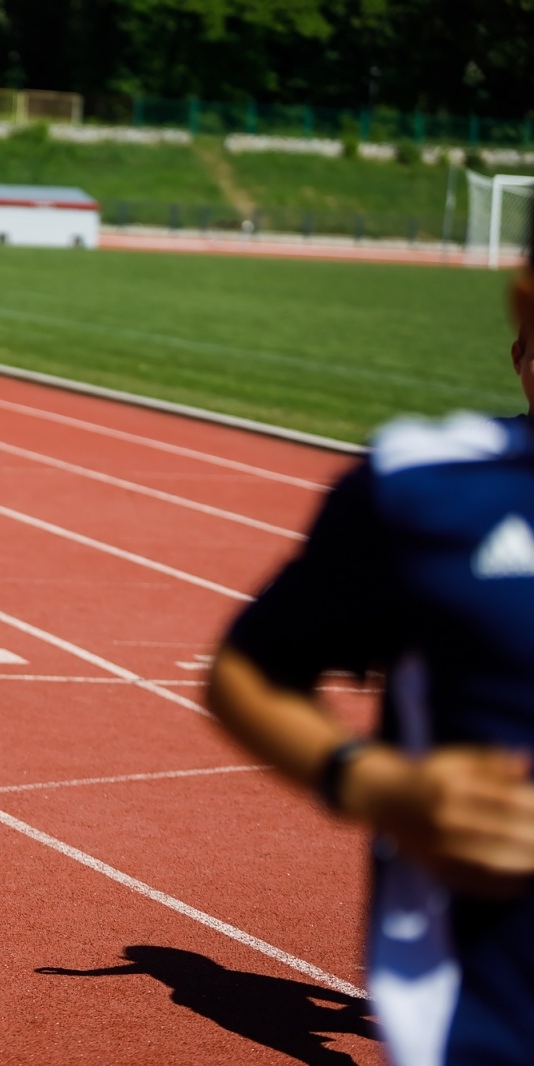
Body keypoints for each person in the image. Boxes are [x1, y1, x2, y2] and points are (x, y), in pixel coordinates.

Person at [207, 240, 534, 1064]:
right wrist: (378, 783)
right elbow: (248, 671)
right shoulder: (425, 492)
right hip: (489, 1022)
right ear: (525, 313)